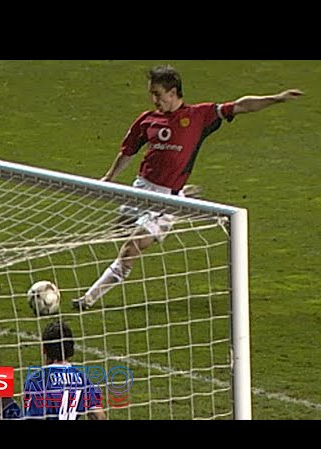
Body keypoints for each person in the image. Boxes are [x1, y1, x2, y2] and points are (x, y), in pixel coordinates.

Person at [72, 64, 303, 310]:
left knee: (131, 247)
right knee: (117, 232)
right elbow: (128, 151)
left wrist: (277, 98)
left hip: (164, 201)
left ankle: (88, 299)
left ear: (173, 93)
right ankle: (182, 194)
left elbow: (241, 105)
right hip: (139, 189)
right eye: (152, 94)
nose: (154, 100)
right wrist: (109, 177)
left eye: (158, 94)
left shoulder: (198, 116)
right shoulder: (147, 119)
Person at [22, 320, 106, 420]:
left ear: (44, 349)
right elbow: (98, 415)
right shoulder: (82, 379)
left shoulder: (37, 380)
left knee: (2, 399)